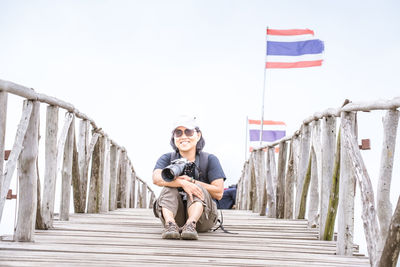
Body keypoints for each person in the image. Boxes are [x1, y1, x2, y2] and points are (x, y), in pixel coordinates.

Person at [152, 116, 226, 240]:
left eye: (188, 132)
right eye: (178, 132)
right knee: (169, 188)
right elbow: (156, 178)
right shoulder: (167, 158)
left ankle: (191, 224)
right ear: (174, 138)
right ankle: (170, 224)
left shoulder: (209, 159)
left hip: (203, 219)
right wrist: (181, 183)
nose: (183, 136)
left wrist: (192, 182)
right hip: (177, 217)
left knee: (195, 187)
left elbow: (219, 192)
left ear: (198, 135)